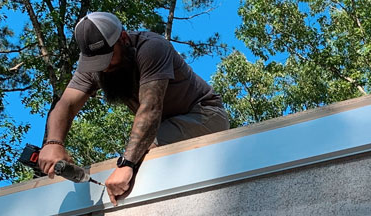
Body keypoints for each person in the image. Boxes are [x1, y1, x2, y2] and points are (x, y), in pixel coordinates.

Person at [38, 12, 230, 203]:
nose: (103, 68)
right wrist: (53, 144)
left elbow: (150, 108)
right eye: (96, 62)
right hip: (162, 128)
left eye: (107, 58)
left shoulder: (151, 48)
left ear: (123, 38)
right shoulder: (94, 68)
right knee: (134, 159)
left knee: (136, 162)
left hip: (204, 114)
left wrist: (127, 163)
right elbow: (66, 104)